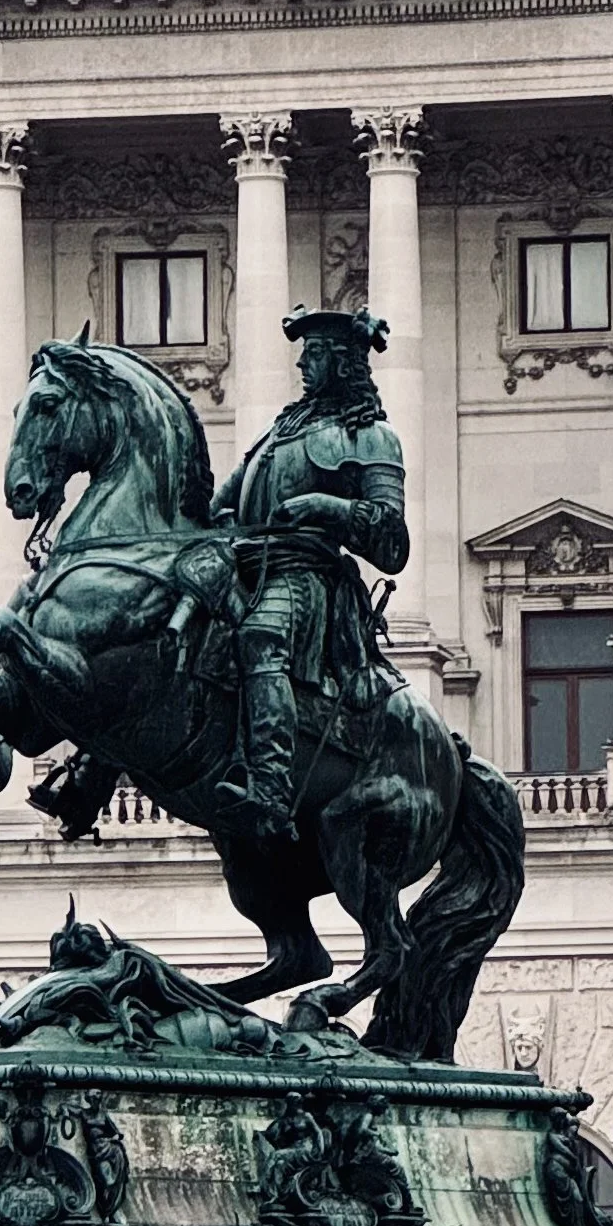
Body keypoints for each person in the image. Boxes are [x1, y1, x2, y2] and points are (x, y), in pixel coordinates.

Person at [210, 305, 409, 840]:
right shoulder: (280, 431)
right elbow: (221, 503)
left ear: (344, 363)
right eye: (304, 353)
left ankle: (270, 789)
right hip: (245, 567)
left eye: (315, 353)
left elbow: (392, 541)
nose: (302, 364)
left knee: (259, 638)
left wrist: (327, 507)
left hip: (307, 577)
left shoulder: (370, 437)